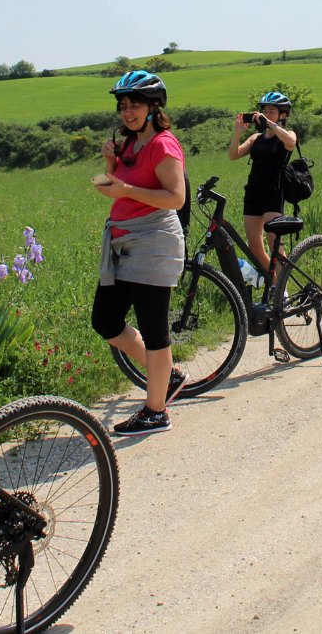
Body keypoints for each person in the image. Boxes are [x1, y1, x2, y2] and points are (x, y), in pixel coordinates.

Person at [91, 70, 188, 437]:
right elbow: (120, 188)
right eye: (123, 106)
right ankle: (170, 374)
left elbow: (175, 198)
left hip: (154, 242)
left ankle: (156, 410)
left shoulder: (164, 144)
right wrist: (111, 166)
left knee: (154, 328)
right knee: (105, 320)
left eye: (134, 105)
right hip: (122, 240)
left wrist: (126, 189)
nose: (127, 112)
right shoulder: (129, 144)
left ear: (153, 107)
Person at [228, 91, 297, 278]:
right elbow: (233, 155)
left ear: (283, 114)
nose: (266, 114)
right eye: (264, 110)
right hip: (253, 193)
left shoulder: (286, 135)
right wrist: (237, 133)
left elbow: (291, 142)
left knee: (275, 244)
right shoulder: (255, 138)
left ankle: (283, 293)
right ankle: (274, 283)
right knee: (254, 247)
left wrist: (272, 125)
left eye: (272, 111)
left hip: (273, 192)